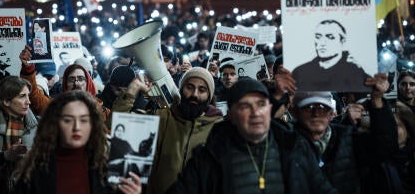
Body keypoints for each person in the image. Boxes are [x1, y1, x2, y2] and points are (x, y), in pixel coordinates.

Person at [168, 77, 338, 193]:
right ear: (232, 115)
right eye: (245, 106)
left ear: (270, 109)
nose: (255, 113)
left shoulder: (295, 146)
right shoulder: (208, 158)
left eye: (261, 104)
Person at [114, 67, 223, 194]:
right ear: (181, 89)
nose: (195, 94)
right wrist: (132, 90)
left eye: (202, 90)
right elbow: (117, 126)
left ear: (209, 96)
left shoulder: (219, 128)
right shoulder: (162, 117)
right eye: (190, 87)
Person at [13, 91, 142, 194]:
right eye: (68, 120)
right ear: (56, 124)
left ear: (93, 125)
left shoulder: (107, 168)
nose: (77, 127)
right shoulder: (33, 171)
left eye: (84, 120)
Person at [291, 82, 398, 194]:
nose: (316, 113)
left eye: (323, 107)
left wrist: (377, 101)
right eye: (309, 108)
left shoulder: (347, 136)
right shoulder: (286, 141)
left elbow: (385, 146)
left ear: (331, 113)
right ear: (296, 113)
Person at [293, 19, 369, 92]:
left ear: (342, 41)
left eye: (330, 37)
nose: (322, 43)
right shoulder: (300, 72)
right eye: (318, 37)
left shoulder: (356, 73)